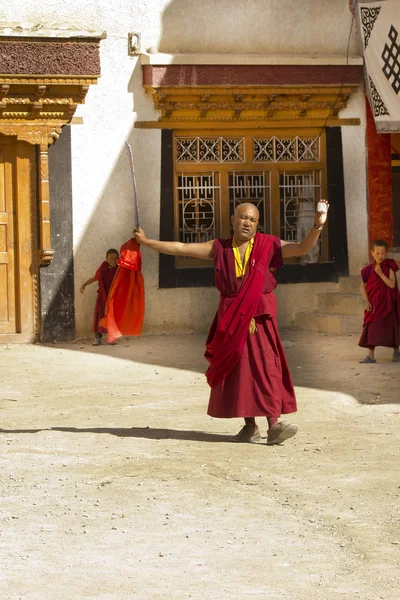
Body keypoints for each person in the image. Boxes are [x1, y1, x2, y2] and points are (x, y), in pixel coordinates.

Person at [134, 200, 329, 445]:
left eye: (252, 220)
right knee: (238, 372)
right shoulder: (220, 248)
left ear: (257, 224)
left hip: (259, 319)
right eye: (242, 217)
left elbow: (301, 247)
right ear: (232, 220)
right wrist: (148, 242)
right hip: (232, 319)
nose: (247, 222)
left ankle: (274, 424)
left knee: (267, 369)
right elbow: (182, 246)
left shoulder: (268, 245)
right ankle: (250, 426)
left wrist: (317, 226)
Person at [358, 240, 400, 364]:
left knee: (392, 326)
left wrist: (381, 274)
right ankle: (371, 356)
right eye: (377, 253)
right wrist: (367, 301)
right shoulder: (368, 269)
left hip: (388, 302)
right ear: (372, 253)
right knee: (371, 327)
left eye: (383, 253)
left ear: (386, 253)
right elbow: (363, 286)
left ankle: (396, 352)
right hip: (374, 304)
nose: (380, 256)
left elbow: (392, 285)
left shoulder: (389, 267)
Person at [80, 249, 119, 346]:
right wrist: (84, 284)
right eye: (111, 258)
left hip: (113, 299)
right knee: (99, 316)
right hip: (102, 297)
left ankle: (112, 337)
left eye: (116, 258)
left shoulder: (119, 270)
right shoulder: (103, 268)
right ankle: (97, 338)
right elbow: (95, 278)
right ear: (106, 259)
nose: (113, 261)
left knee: (112, 318)